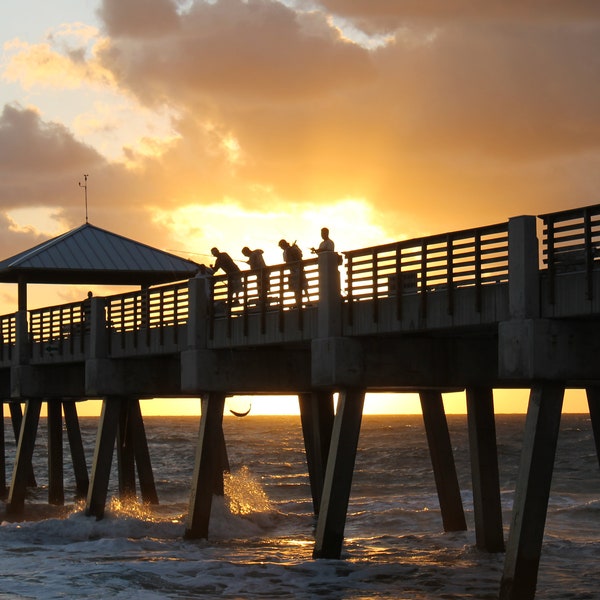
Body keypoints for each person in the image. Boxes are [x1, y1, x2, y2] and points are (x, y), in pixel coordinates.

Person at [278, 239, 309, 305]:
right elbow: (300, 255)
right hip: (298, 269)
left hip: (294, 270)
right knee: (303, 287)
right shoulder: (293, 249)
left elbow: (287, 261)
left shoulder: (287, 251)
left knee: (298, 288)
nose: (281, 248)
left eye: (281, 246)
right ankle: (307, 302)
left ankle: (299, 303)